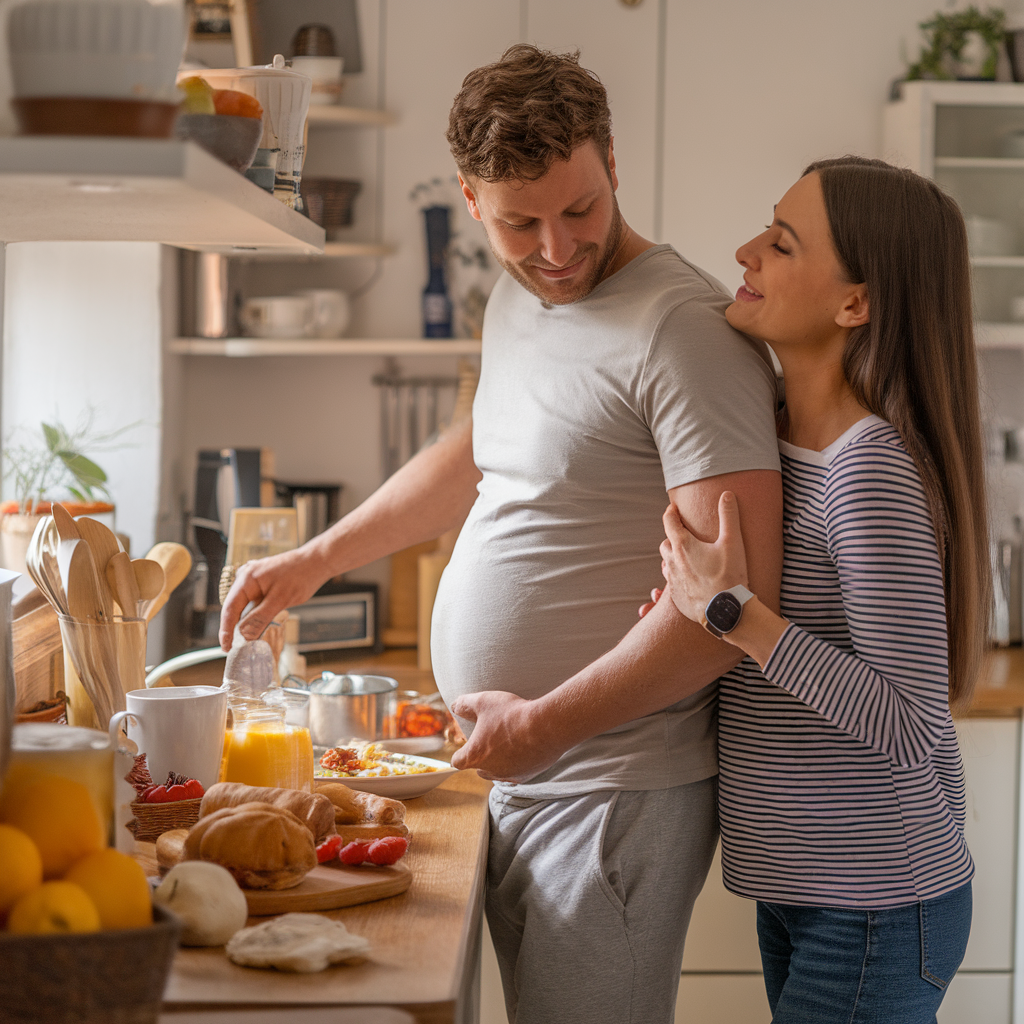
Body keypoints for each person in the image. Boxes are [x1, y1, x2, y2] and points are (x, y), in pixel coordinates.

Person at [220, 46, 783, 1024]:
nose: (557, 249)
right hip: (520, 770)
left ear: (612, 162)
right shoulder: (517, 297)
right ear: (471, 203)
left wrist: (543, 726)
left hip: (610, 785)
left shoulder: (684, 329)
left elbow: (733, 610)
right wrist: (318, 559)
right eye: (520, 223)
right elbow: (478, 450)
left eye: (581, 208)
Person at [457, 156, 988, 1023]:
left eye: (783, 242)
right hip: (805, 888)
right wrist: (684, 601)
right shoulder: (782, 442)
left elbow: (910, 722)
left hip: (878, 901)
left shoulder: (868, 472)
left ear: (855, 304)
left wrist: (735, 617)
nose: (746, 251)